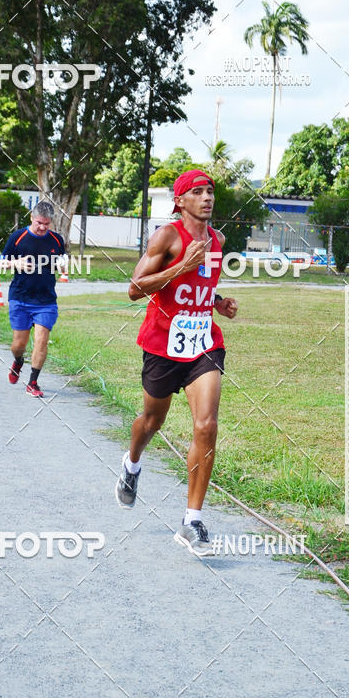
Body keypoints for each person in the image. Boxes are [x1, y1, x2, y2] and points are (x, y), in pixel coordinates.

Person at [115, 169, 238, 556]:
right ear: (180, 201)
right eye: (197, 192)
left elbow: (203, 282)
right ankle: (132, 463)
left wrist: (218, 302)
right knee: (152, 421)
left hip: (203, 342)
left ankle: (192, 520)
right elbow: (135, 289)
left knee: (207, 425)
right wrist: (179, 267)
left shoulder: (217, 239)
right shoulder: (167, 237)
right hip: (162, 344)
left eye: (210, 192)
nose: (207, 198)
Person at [0, 201, 65, 397]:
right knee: (18, 344)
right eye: (39, 222)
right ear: (31, 218)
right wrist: (15, 263)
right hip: (20, 297)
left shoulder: (57, 239)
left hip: (46, 300)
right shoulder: (18, 237)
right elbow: (1, 262)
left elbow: (62, 260)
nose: (43, 227)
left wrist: (63, 265)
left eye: (47, 223)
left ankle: (33, 382)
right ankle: (18, 361)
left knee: (41, 341)